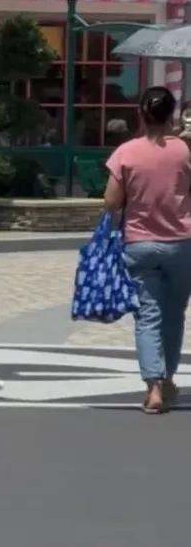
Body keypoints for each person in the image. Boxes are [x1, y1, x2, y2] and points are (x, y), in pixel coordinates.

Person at [104, 86, 191, 414]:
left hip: (139, 243)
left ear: (141, 114)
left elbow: (111, 202)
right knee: (174, 313)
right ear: (172, 114)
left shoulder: (126, 152)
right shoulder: (185, 150)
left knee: (147, 316)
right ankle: (167, 379)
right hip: (181, 243)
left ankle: (153, 387)